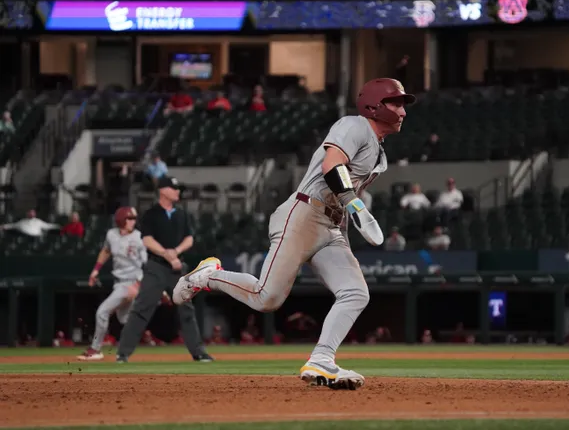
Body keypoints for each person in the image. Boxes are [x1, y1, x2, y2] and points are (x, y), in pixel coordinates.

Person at [172, 78, 415, 390]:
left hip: (331, 223)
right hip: (303, 215)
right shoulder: (355, 125)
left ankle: (322, 360)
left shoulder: (378, 152)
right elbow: (332, 164)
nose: (403, 111)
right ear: (374, 105)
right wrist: (352, 201)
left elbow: (341, 190)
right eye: (396, 103)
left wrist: (345, 221)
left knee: (356, 293)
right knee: (266, 299)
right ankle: (206, 276)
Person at [116, 176, 212, 363]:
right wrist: (166, 254)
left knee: (187, 310)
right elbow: (147, 240)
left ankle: (199, 353)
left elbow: (189, 239)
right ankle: (123, 353)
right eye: (173, 188)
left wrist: (175, 252)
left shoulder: (182, 214)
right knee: (142, 309)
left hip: (177, 268)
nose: (177, 191)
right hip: (156, 267)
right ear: (162, 191)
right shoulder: (151, 214)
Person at [78, 207, 146, 361]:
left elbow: (146, 264)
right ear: (121, 220)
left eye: (134, 219)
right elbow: (106, 251)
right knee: (124, 319)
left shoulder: (139, 237)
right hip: (119, 283)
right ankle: (126, 350)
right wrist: (95, 271)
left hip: (131, 283)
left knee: (102, 312)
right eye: (129, 218)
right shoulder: (112, 234)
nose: (133, 222)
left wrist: (138, 285)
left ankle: (95, 349)